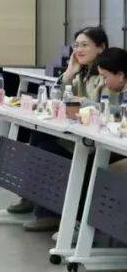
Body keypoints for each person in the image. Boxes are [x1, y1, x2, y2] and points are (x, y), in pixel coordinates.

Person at [10, 27, 110, 231]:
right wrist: (69, 73)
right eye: (76, 45)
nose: (79, 50)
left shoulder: (106, 74)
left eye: (85, 45)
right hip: (77, 134)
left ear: (101, 48)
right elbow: (57, 94)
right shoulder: (80, 73)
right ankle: (32, 197)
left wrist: (81, 102)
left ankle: (49, 212)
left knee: (46, 149)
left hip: (94, 141)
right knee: (38, 136)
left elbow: (105, 108)